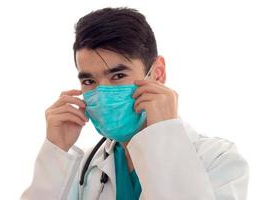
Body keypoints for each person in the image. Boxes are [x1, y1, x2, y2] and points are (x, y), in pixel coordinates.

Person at [20, 7, 249, 200]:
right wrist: (56, 151)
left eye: (118, 76)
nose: (103, 92)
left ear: (157, 73)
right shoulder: (84, 168)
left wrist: (163, 133)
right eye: (89, 81)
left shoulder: (219, 160)